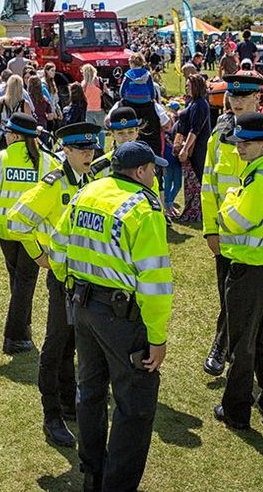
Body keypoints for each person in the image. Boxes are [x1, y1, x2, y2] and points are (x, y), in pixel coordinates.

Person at [50, 141, 171, 492]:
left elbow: (58, 249)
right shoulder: (144, 208)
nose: (155, 175)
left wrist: (73, 285)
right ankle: (116, 485)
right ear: (139, 171)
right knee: (134, 405)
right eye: (152, 169)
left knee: (89, 391)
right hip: (122, 319)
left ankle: (92, 472)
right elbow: (155, 280)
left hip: (83, 308)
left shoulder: (86, 193)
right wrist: (157, 337)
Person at [4, 122, 101, 448]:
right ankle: (51, 416)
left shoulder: (90, 181)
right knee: (56, 344)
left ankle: (66, 401)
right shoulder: (53, 184)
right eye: (82, 150)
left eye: (91, 149)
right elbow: (15, 220)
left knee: (73, 343)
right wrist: (38, 254)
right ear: (67, 151)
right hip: (62, 279)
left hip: (86, 278)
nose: (89, 154)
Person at [201, 74, 263, 377]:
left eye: (245, 97)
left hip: (259, 242)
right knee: (228, 297)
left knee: (261, 309)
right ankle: (226, 345)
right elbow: (209, 184)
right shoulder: (219, 136)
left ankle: (231, 351)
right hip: (227, 238)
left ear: (259, 99)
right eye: (233, 96)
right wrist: (210, 229)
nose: (237, 102)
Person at [212, 112, 263, 430]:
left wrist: (228, 200)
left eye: (244, 143)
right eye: (236, 142)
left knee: (241, 344)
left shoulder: (258, 181)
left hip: (250, 269)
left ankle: (235, 411)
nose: (237, 148)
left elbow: (234, 221)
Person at [0, 112, 60, 354]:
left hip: (7, 231)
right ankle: (16, 335)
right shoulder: (47, 161)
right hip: (35, 234)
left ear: (13, 135)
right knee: (24, 282)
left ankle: (22, 328)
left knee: (18, 280)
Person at [173, 74, 212, 226]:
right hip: (192, 147)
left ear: (196, 86)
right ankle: (192, 210)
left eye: (189, 85)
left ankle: (197, 212)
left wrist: (185, 149)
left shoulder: (200, 104)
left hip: (198, 148)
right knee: (191, 181)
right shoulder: (194, 102)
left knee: (196, 179)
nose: (187, 87)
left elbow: (195, 130)